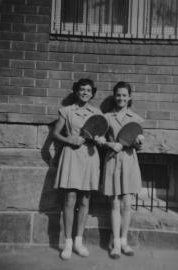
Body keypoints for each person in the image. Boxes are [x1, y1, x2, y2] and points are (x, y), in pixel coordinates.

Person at [53, 78, 102, 260]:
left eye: (88, 90)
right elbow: (56, 133)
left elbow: (101, 134)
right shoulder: (66, 111)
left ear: (92, 93)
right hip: (72, 156)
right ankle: (67, 243)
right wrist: (70, 140)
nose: (85, 93)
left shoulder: (97, 113)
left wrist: (98, 139)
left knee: (85, 201)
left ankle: (79, 242)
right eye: (82, 90)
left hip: (89, 157)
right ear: (76, 91)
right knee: (69, 199)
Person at [98, 81, 144, 259]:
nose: (121, 98)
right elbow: (99, 139)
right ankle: (115, 244)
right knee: (115, 203)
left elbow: (138, 145)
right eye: (118, 95)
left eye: (124, 95)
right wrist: (110, 143)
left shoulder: (136, 118)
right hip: (112, 161)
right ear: (114, 96)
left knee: (127, 204)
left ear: (129, 97)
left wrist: (139, 142)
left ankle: (124, 242)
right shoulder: (107, 117)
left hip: (129, 162)